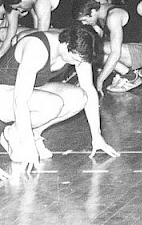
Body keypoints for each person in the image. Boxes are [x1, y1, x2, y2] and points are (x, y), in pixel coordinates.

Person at [0, 26, 119, 172]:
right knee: (53, 104)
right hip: (4, 93)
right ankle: (12, 134)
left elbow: (89, 90)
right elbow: (20, 100)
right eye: (75, 59)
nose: (76, 64)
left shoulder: (78, 50)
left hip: (28, 91)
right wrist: (29, 146)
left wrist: (97, 136)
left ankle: (32, 132)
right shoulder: (36, 47)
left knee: (80, 97)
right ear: (65, 45)